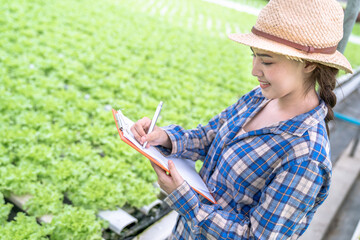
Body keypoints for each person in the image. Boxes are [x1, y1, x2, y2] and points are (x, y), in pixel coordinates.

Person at [130, 0, 353, 239]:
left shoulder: (305, 156)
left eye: (267, 61)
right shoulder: (258, 98)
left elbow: (255, 236)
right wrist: (165, 137)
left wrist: (185, 200)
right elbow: (210, 136)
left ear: (309, 63)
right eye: (254, 56)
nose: (255, 70)